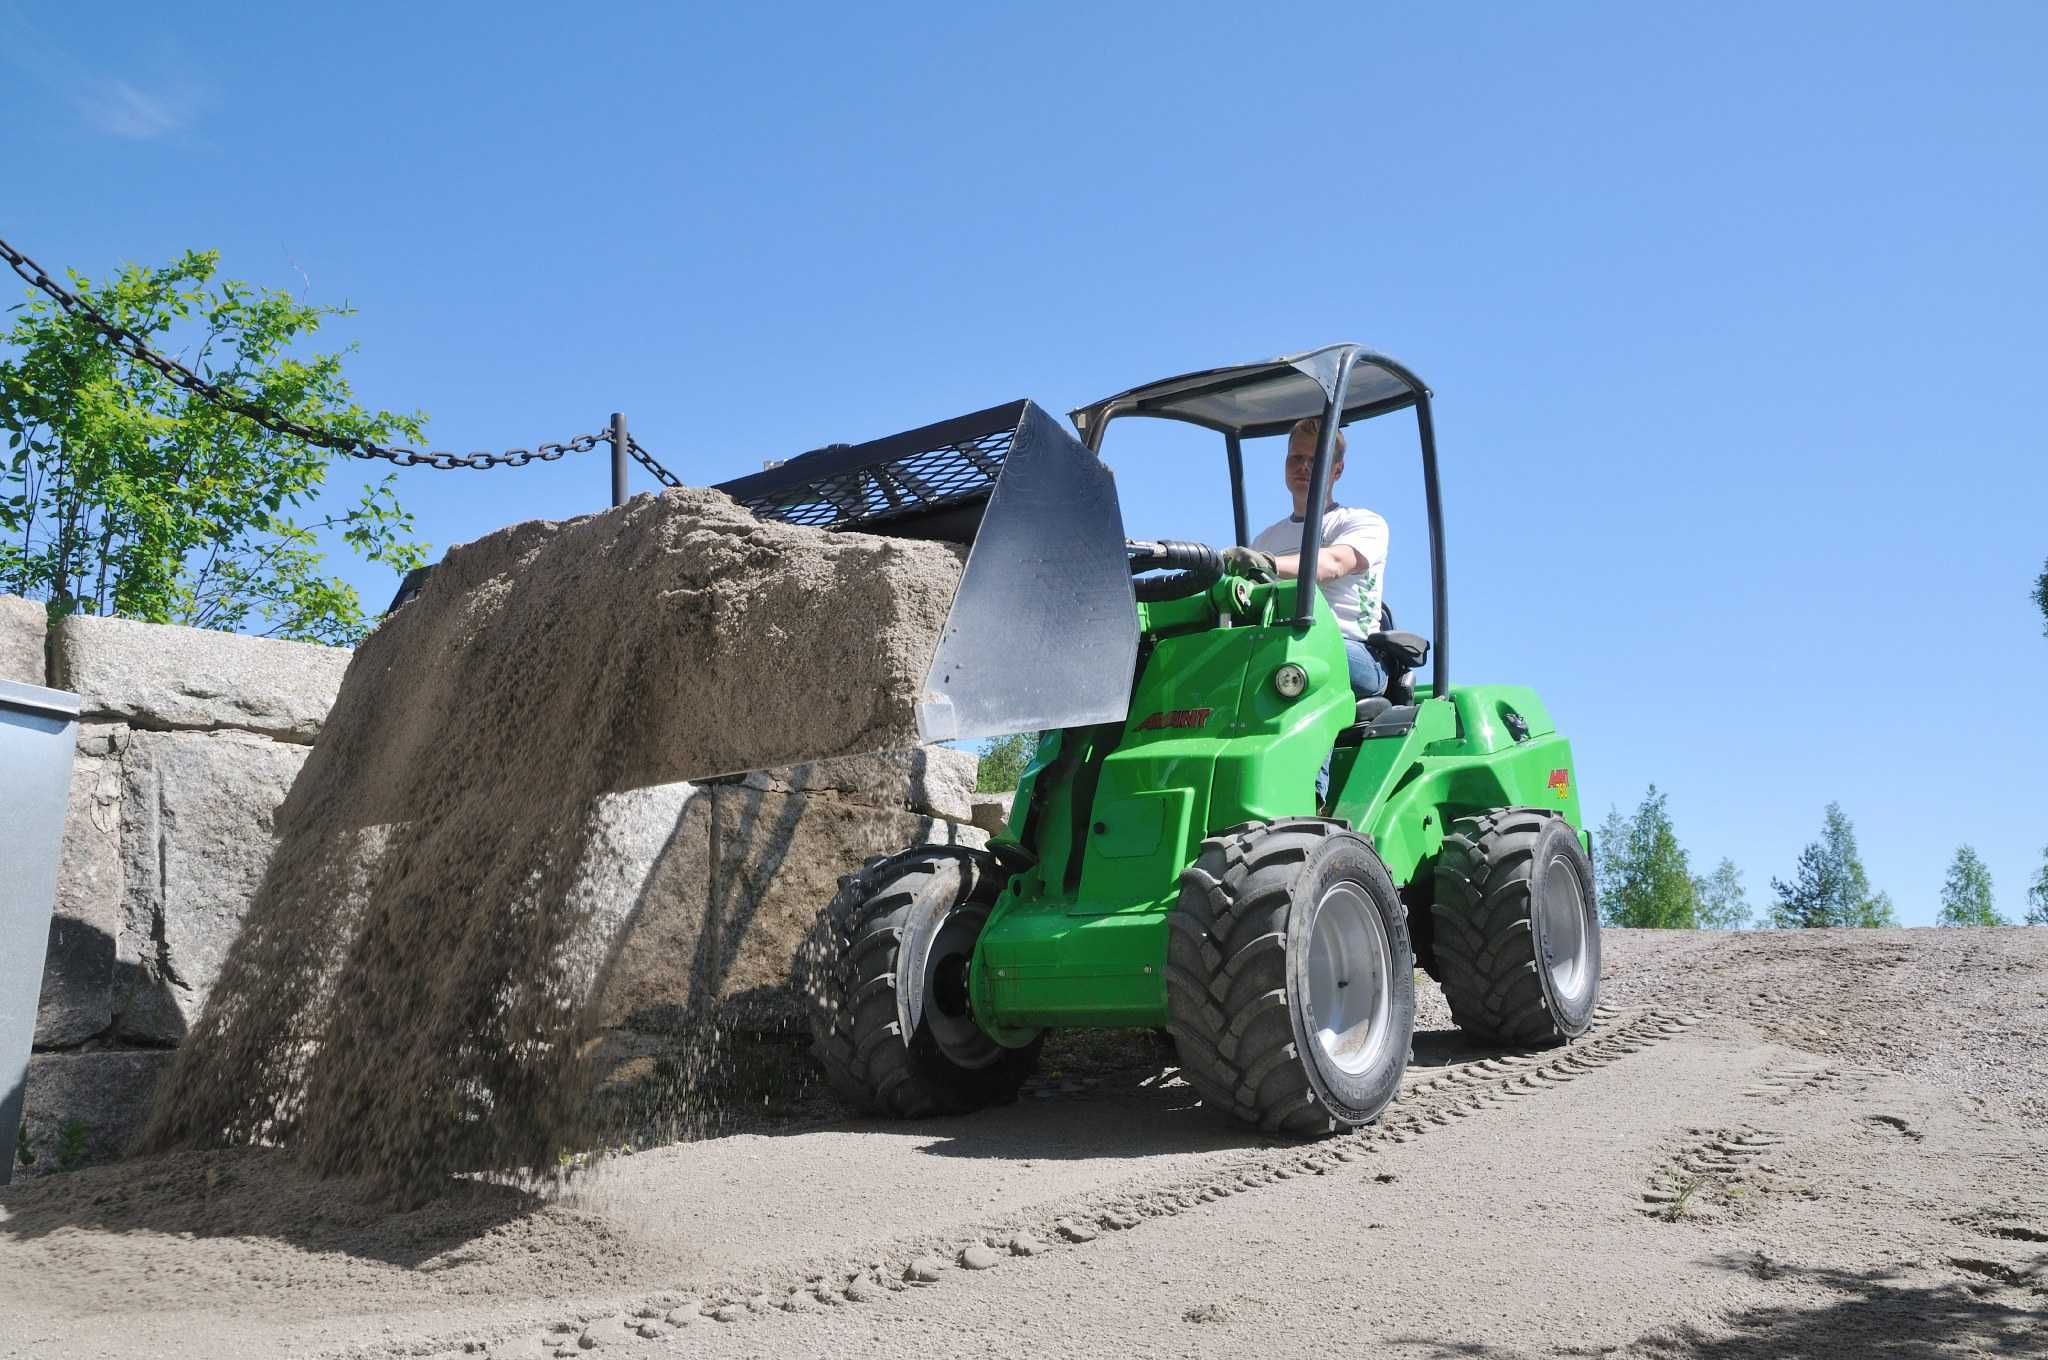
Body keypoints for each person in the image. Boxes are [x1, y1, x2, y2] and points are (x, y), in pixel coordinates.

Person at [1224, 416, 1390, 703]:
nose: (1303, 466)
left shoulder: (1362, 523)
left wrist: (1269, 564)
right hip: (1279, 643)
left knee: (1296, 657)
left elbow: (1334, 563)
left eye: (1315, 459)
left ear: (1337, 470)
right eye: (1296, 458)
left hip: (1351, 649)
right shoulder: (1267, 539)